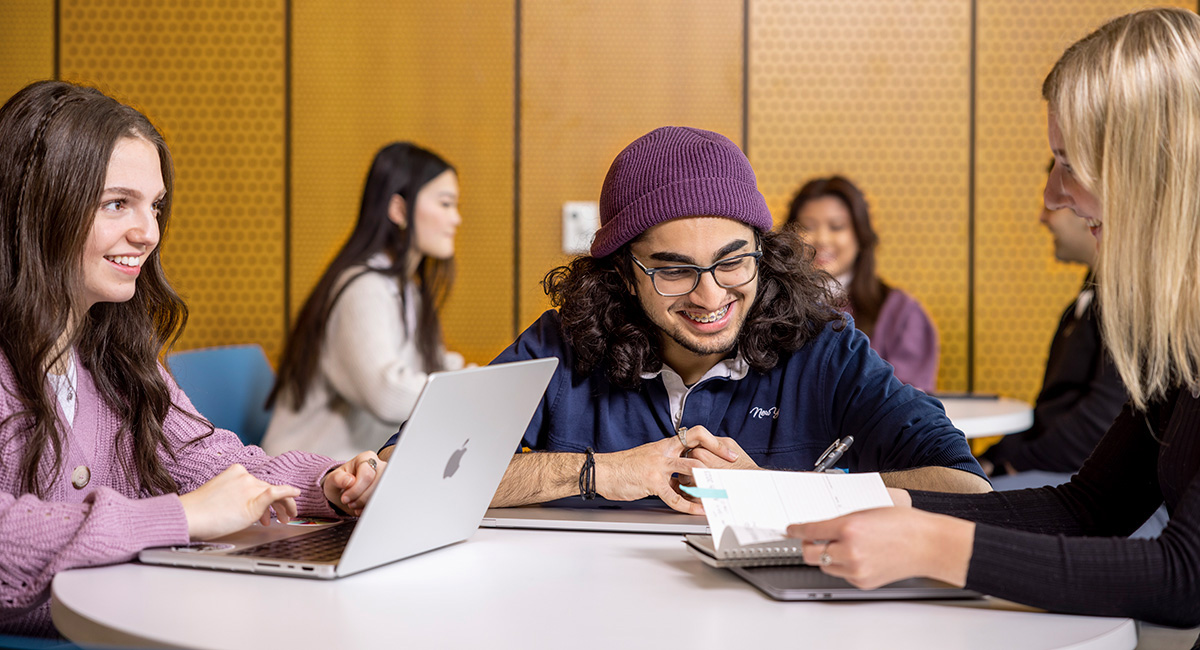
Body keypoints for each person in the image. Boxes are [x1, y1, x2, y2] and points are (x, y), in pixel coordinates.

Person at [786, 8, 1200, 628]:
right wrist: (886, 501)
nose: (1055, 194)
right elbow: (1088, 508)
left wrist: (931, 543)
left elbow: (1184, 578)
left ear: (1150, 163)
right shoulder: (1179, 335)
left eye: (1069, 162)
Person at [381, 126, 990, 514]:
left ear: (763, 253)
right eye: (673, 272)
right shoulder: (562, 344)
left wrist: (780, 493)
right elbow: (406, 472)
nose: (709, 297)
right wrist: (600, 473)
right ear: (623, 273)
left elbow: (969, 489)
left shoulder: (824, 348)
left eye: (732, 263)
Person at [0, 80, 385, 638]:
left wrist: (325, 484)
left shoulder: (116, 357)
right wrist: (179, 517)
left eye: (153, 207)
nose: (148, 232)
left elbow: (209, 464)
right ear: (35, 206)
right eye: (117, 203)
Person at [262, 142, 465, 460]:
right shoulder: (364, 288)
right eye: (445, 204)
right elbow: (386, 394)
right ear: (399, 210)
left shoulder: (407, 290)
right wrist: (468, 393)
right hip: (311, 473)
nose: (457, 219)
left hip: (357, 468)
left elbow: (432, 365)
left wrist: (480, 378)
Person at [979, 160, 1127, 488]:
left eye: (1062, 196)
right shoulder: (1086, 299)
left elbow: (1100, 423)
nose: (1043, 214)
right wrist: (989, 458)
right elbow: (1050, 413)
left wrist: (1010, 464)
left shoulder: (1126, 302)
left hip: (1078, 480)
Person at [782, 176, 939, 391]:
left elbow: (909, 406)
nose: (822, 239)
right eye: (807, 227)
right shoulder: (773, 308)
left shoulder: (901, 313)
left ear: (860, 235)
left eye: (837, 227)